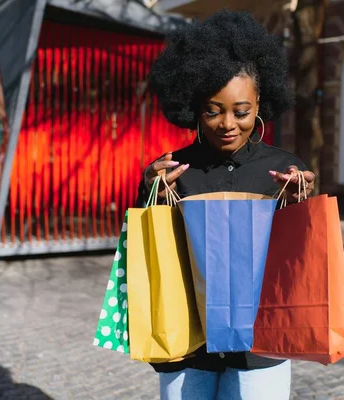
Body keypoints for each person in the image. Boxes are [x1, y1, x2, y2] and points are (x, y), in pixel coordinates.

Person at [134, 10, 316, 400]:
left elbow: (299, 261)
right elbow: (148, 249)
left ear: (260, 104)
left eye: (241, 111)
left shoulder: (285, 170)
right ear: (195, 107)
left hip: (260, 344)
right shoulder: (172, 170)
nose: (227, 123)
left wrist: (302, 204)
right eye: (213, 110)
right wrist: (148, 195)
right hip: (187, 336)